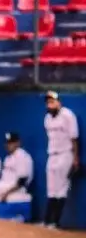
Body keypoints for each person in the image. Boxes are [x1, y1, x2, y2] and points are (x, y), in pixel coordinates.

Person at [42, 91, 80, 229]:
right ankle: (47, 221)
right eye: (48, 102)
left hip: (65, 154)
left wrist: (76, 158)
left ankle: (55, 222)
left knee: (61, 189)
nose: (50, 104)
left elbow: (74, 138)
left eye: (52, 102)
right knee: (51, 189)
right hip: (52, 154)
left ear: (59, 102)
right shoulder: (47, 118)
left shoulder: (68, 115)